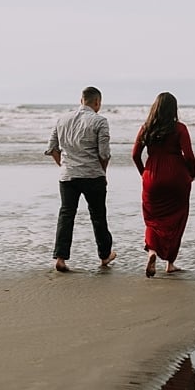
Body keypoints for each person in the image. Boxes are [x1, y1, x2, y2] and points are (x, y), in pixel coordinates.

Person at [47, 86, 116, 272]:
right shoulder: (100, 121)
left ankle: (61, 258)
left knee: (66, 215)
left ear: (81, 100)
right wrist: (104, 173)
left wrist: (64, 166)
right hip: (93, 175)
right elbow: (104, 153)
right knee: (98, 215)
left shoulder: (62, 120)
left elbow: (52, 148)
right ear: (97, 102)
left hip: (68, 176)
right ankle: (104, 255)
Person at [133, 92, 195, 277]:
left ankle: (152, 252)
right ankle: (170, 263)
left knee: (152, 220)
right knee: (176, 220)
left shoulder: (146, 128)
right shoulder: (180, 128)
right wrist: (191, 174)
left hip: (152, 177)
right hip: (177, 177)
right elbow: (189, 156)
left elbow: (135, 155)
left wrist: (144, 173)